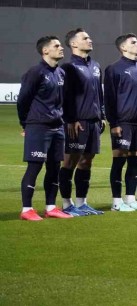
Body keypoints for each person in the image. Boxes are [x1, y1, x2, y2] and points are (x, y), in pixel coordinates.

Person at [18, 36, 71, 221]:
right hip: (38, 126)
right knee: (35, 166)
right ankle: (26, 209)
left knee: (54, 167)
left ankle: (50, 207)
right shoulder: (35, 72)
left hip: (58, 127)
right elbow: (23, 100)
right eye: (56, 46)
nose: (61, 48)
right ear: (45, 51)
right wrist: (26, 124)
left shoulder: (61, 73)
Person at [104, 33, 137, 211]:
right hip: (122, 123)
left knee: (135, 161)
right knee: (119, 160)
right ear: (123, 47)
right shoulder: (114, 69)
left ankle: (131, 199)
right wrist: (114, 123)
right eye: (133, 42)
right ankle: (117, 202)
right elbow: (109, 98)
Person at [58, 28, 105, 216]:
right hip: (77, 122)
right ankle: (66, 204)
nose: (90, 40)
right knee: (70, 161)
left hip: (94, 121)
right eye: (85, 38)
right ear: (74, 44)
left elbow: (99, 94)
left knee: (87, 162)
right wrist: (70, 119)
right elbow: (64, 96)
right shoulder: (67, 68)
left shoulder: (95, 65)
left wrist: (101, 116)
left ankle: (82, 202)